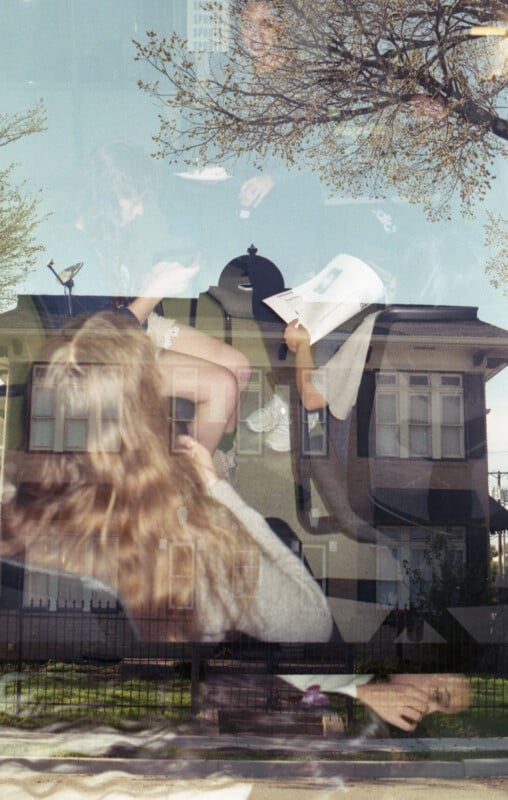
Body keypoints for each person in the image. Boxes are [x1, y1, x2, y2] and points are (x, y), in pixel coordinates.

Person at [1, 312, 470, 730]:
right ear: (148, 417)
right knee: (281, 540)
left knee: (284, 537)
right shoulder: (199, 548)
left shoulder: (12, 515)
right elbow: (311, 623)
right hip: (221, 635)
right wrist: (217, 491)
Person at [58, 141, 252, 467]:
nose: (141, 210)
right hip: (110, 352)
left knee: (240, 367)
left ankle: (214, 453)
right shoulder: (68, 248)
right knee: (221, 386)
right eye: (133, 200)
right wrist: (154, 290)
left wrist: (150, 279)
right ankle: (195, 480)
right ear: (104, 197)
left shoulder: (108, 231)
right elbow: (99, 340)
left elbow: (124, 300)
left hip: (135, 325)